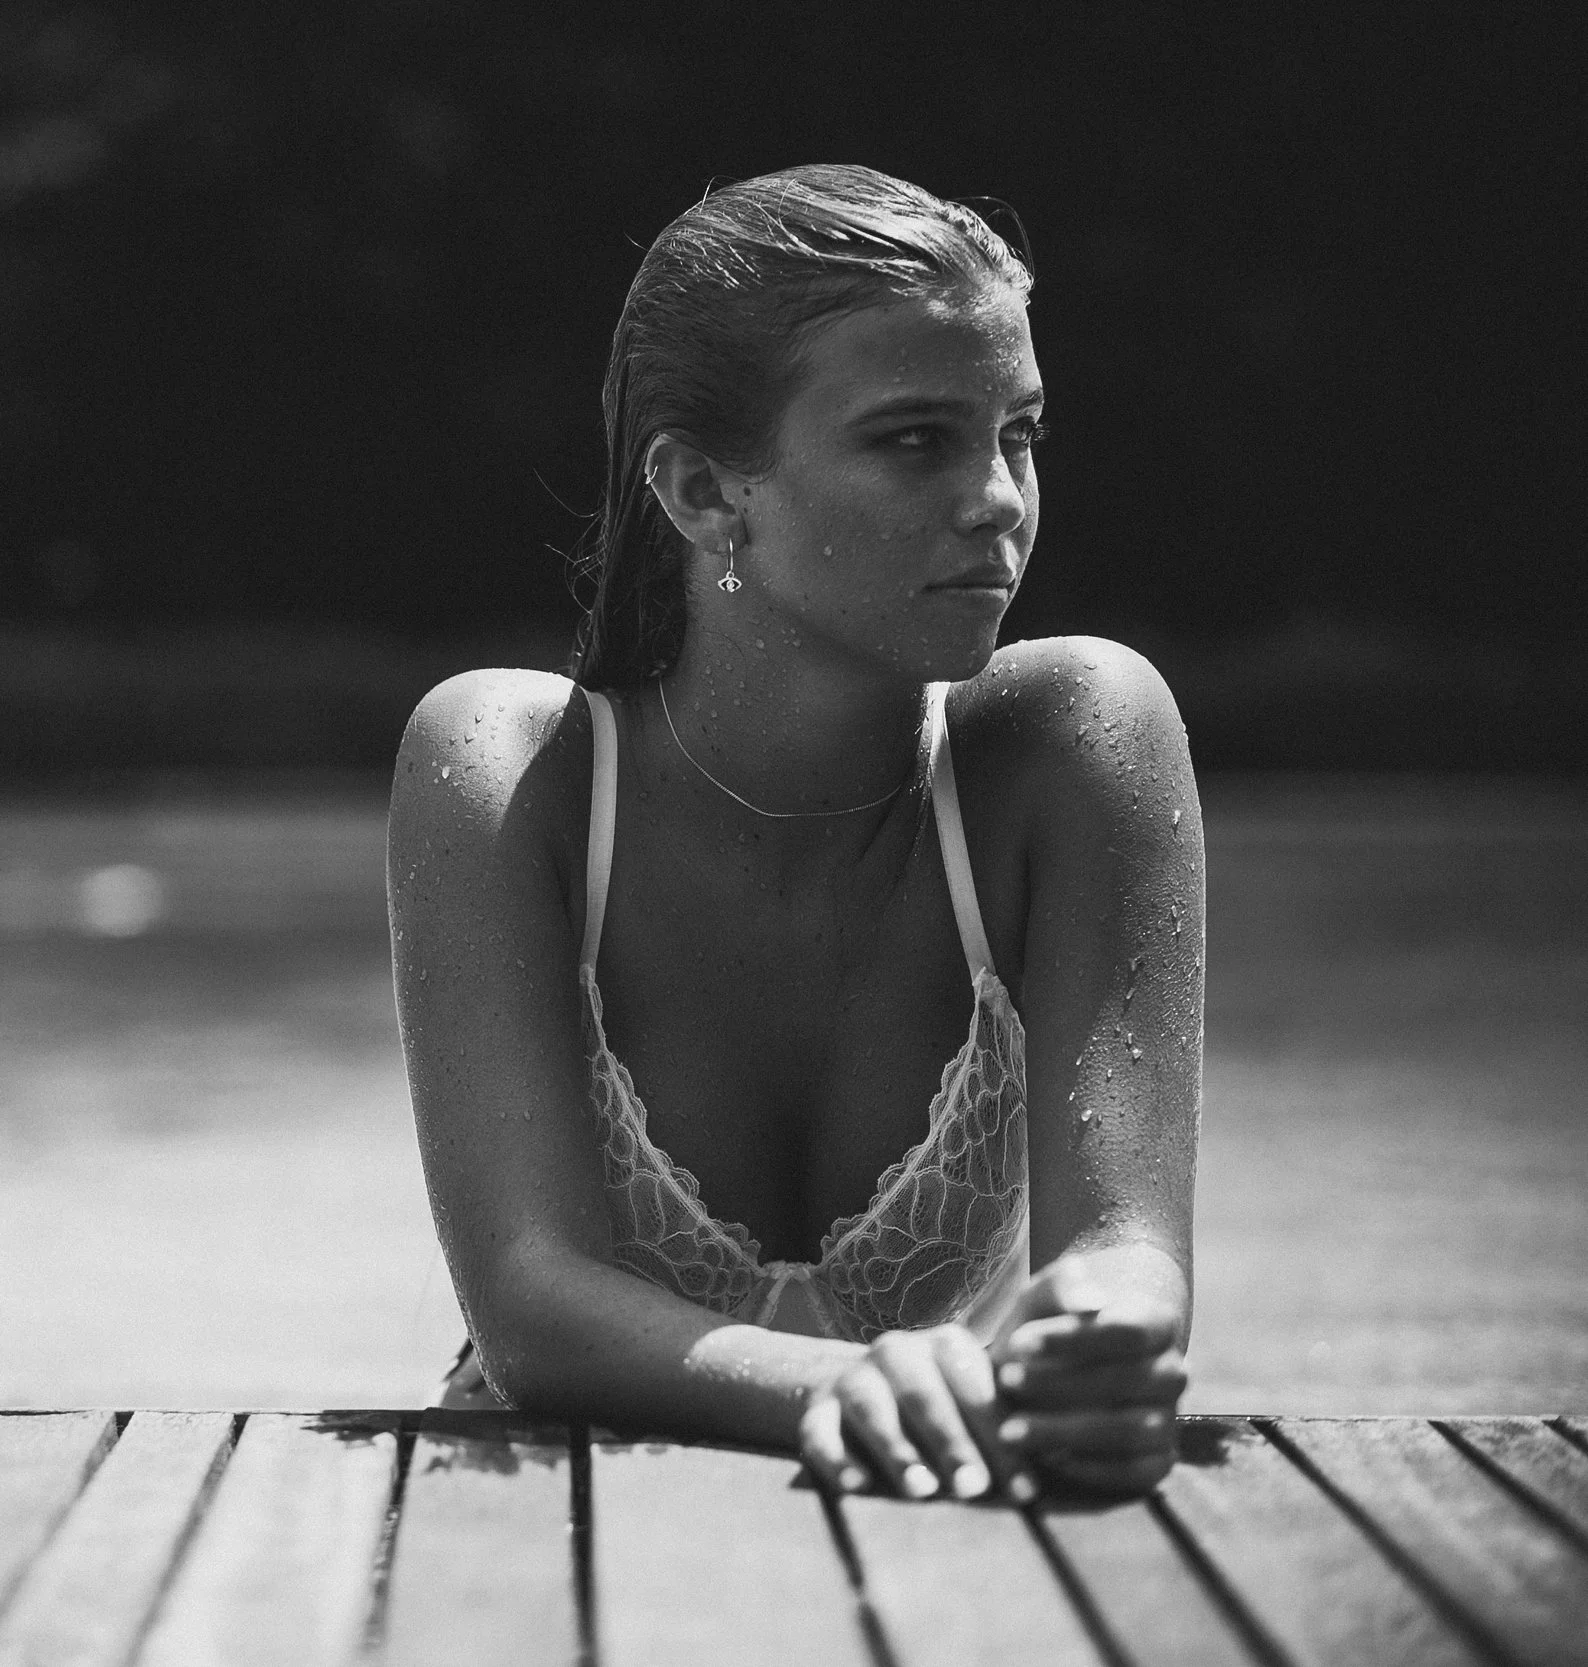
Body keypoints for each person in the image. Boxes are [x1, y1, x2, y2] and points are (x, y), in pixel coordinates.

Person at [387, 165, 1199, 1501]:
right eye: (916, 440)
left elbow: (1127, 1245)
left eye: (1020, 435)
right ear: (706, 492)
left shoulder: (1071, 744)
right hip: (546, 1536)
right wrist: (841, 1384)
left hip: (926, 1519)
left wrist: (1110, 1332)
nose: (999, 498)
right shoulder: (511, 768)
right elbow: (533, 1301)